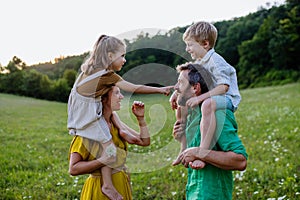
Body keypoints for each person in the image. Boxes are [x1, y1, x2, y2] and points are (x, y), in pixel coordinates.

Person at [67, 35, 172, 199]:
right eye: (122, 55)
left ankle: (109, 184)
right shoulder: (106, 76)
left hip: (79, 112)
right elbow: (134, 87)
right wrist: (159, 89)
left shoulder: (89, 73)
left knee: (108, 146)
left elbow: (143, 141)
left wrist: (141, 120)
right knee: (109, 149)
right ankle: (107, 185)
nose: (124, 59)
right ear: (110, 56)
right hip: (85, 116)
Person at [171, 21, 241, 169]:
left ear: (205, 44)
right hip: (212, 97)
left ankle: (202, 152)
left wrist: (201, 98)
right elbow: (186, 80)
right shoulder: (200, 62)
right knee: (182, 103)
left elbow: (224, 87)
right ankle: (183, 147)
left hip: (227, 99)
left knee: (208, 104)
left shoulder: (216, 61)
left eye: (190, 45)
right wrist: (175, 94)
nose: (187, 49)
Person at [172, 62, 247, 199]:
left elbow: (240, 161)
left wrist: (200, 153)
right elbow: (192, 162)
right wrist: (182, 139)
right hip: (194, 192)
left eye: (180, 83)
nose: (176, 88)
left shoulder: (218, 114)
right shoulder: (192, 115)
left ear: (195, 88)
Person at [69, 85, 150, 200]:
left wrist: (140, 119)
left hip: (121, 182)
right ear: (103, 99)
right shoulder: (87, 131)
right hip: (99, 190)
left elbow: (144, 141)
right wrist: (103, 161)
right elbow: (73, 168)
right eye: (116, 93)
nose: (121, 97)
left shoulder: (115, 123)